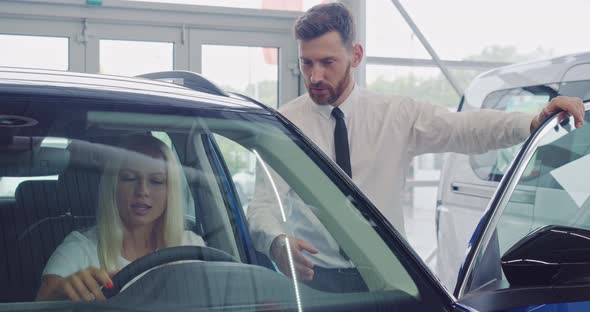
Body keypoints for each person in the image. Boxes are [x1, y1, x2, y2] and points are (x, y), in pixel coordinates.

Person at [247, 3, 585, 292]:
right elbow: (262, 206)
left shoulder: (394, 115)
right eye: (307, 63)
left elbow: (464, 128)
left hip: (389, 276)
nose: (315, 76)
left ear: (356, 55)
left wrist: (530, 123)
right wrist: (277, 242)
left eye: (327, 62)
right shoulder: (285, 124)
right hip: (315, 282)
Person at [36, 134, 205, 301]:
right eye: (129, 178)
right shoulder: (80, 249)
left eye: (156, 181)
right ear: (112, 186)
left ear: (170, 191)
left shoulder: (190, 246)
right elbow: (43, 300)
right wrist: (64, 292)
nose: (142, 191)